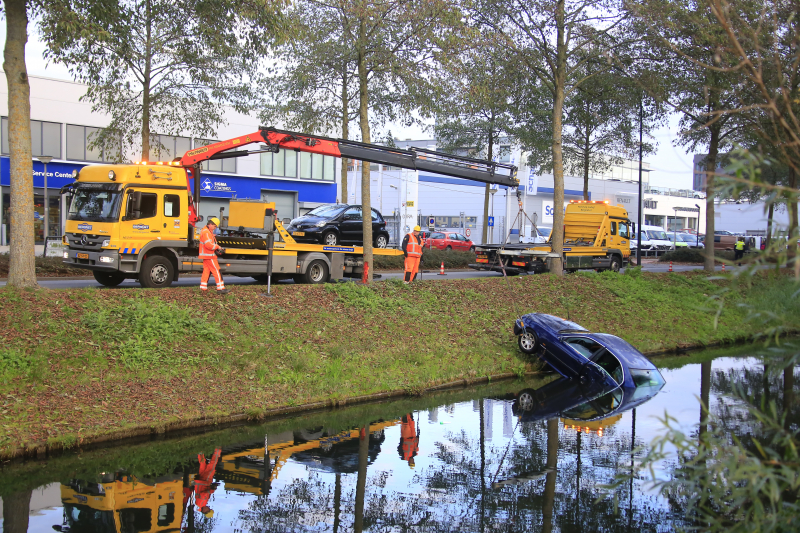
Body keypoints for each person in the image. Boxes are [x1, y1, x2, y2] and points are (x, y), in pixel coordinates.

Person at [200, 217, 229, 294]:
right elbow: (208, 245)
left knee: (206, 271)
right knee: (217, 271)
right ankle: (220, 288)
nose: (215, 228)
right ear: (210, 224)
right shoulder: (206, 232)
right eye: (215, 226)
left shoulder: (207, 231)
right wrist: (217, 247)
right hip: (210, 255)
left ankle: (203, 288)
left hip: (206, 255)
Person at [194, 447, 222, 518]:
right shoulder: (198, 503)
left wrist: (212, 489)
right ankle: (199, 449)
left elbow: (204, 493)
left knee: (212, 465)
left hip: (205, 481)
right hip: (200, 482)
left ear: (205, 511)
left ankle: (218, 449)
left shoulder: (202, 503)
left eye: (209, 509)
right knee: (202, 464)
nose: (209, 508)